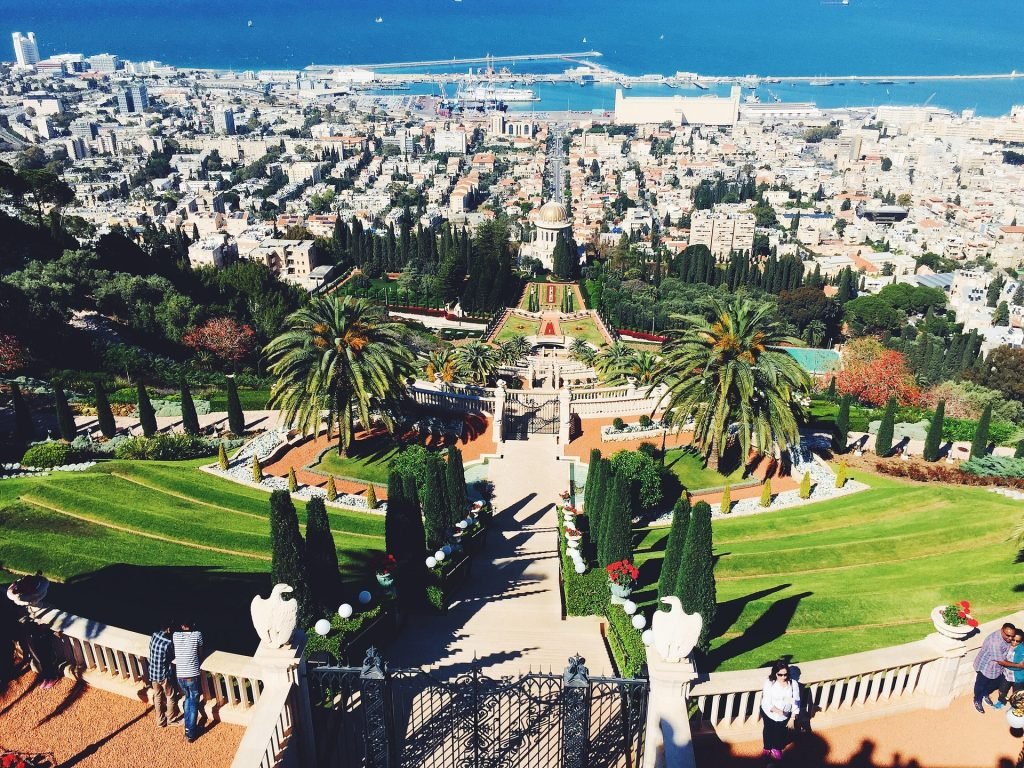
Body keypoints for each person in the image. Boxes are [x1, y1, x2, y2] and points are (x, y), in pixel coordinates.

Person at [761, 660, 800, 762]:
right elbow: (766, 702)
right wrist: (779, 711)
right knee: (768, 730)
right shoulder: (769, 683)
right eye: (780, 675)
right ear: (775, 673)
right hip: (769, 713)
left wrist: (792, 718)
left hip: (785, 715)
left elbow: (796, 701)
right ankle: (767, 747)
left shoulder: (793, 684)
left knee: (780, 732)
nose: (783, 677)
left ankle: (776, 748)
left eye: (785, 674)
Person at [172, 619, 204, 742]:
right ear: (193, 624)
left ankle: (187, 728)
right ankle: (191, 732)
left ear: (181, 625)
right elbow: (200, 653)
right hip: (192, 674)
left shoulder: (175, 635)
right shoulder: (197, 635)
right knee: (194, 702)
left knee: (187, 699)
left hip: (180, 675)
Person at [974, 622, 1016, 713]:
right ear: (1002, 630)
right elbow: (1001, 661)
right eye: (1007, 635)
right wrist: (1018, 665)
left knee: (996, 683)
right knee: (980, 685)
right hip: (985, 667)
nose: (1010, 638)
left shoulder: (1006, 637)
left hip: (997, 668)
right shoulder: (995, 642)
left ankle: (985, 694)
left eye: (1012, 636)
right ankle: (977, 700)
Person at [147, 620, 181, 728]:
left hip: (152, 672)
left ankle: (160, 721)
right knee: (170, 696)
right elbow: (172, 656)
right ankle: (171, 719)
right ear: (169, 629)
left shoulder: (154, 635)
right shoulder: (168, 643)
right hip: (163, 674)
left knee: (157, 696)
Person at [995, 630, 1024, 709]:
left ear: (1021, 641)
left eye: (1018, 641)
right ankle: (1001, 701)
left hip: (1018, 677)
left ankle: (1015, 706)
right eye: (1013, 640)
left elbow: (1021, 667)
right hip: (1007, 674)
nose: (1014, 642)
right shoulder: (1006, 645)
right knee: (1002, 690)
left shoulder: (1022, 650)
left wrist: (1005, 664)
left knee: (1017, 694)